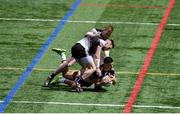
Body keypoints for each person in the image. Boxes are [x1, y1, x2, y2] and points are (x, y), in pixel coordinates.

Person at [44, 25, 114, 87]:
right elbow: (97, 55)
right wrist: (98, 68)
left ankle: (51, 76)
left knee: (68, 64)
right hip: (82, 49)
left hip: (77, 47)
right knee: (92, 68)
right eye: (107, 33)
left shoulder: (101, 40)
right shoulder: (100, 39)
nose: (108, 35)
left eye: (109, 34)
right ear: (104, 30)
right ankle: (77, 82)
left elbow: (88, 35)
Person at [49, 49, 116, 92]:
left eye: (112, 65)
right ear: (105, 64)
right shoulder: (98, 72)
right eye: (110, 65)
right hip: (81, 78)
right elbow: (96, 86)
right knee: (67, 77)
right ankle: (61, 79)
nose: (112, 66)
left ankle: (62, 56)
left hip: (87, 82)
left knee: (68, 76)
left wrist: (113, 80)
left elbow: (114, 80)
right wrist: (103, 83)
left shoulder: (112, 70)